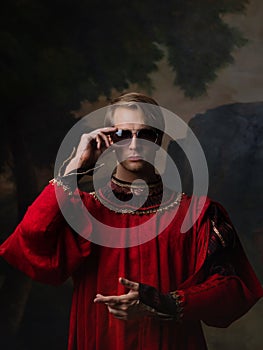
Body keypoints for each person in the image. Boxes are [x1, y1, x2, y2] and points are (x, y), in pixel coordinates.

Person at [0, 92, 262, 350]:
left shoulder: (199, 213)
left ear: (159, 139)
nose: (135, 145)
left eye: (146, 134)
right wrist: (74, 170)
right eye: (123, 135)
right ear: (109, 140)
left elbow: (235, 289)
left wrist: (163, 302)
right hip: (99, 339)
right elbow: (29, 246)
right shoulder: (83, 209)